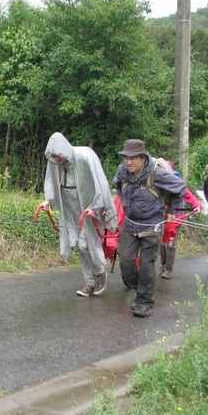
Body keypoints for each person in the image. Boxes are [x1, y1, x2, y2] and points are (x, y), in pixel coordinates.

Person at [113, 139, 186, 317]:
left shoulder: (157, 173)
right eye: (126, 158)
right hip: (130, 224)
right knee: (126, 263)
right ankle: (140, 288)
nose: (128, 162)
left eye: (133, 158)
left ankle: (144, 301)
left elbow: (180, 187)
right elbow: (117, 186)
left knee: (146, 265)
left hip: (151, 225)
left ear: (143, 158)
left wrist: (171, 209)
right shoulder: (122, 171)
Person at [41, 132, 117, 297]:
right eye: (53, 156)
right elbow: (51, 182)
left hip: (88, 210)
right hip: (70, 210)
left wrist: (96, 208)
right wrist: (48, 201)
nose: (56, 159)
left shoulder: (84, 158)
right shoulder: (54, 162)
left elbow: (100, 184)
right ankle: (90, 283)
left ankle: (99, 272)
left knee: (86, 245)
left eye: (58, 155)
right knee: (79, 246)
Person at [159, 161, 202, 279]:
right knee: (162, 244)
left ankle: (168, 269)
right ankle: (162, 264)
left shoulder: (176, 181)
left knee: (171, 245)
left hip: (176, 219)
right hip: (162, 218)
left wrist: (197, 205)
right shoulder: (157, 181)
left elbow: (188, 195)